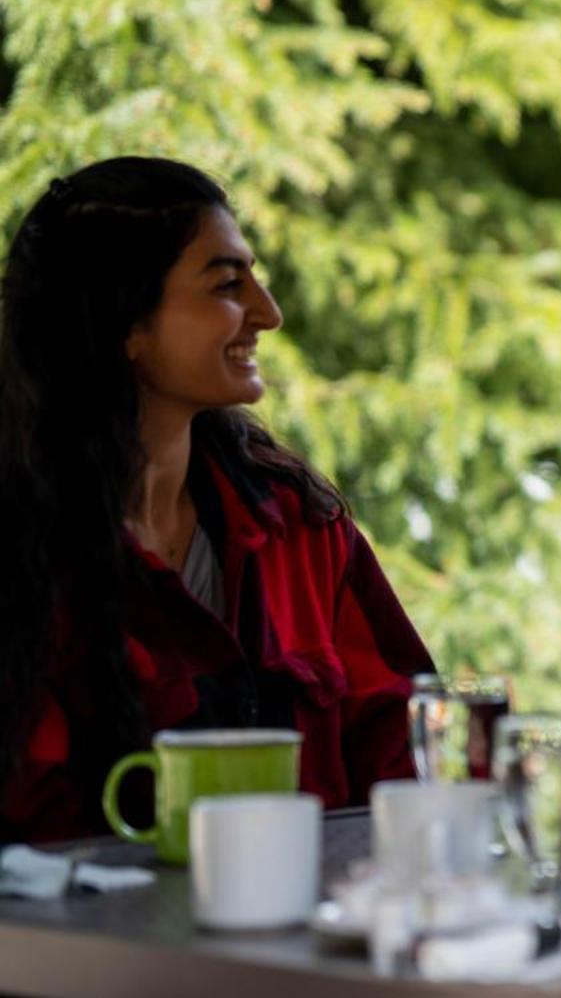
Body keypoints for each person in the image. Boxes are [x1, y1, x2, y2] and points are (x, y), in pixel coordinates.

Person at [0, 157, 433, 843]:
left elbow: (411, 753)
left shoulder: (302, 528)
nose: (268, 312)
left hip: (303, 941)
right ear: (126, 323)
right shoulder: (23, 548)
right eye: (228, 283)